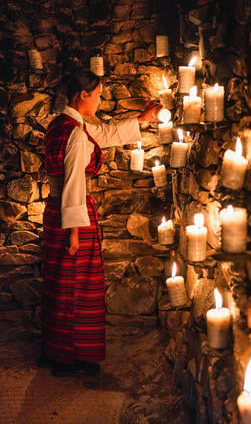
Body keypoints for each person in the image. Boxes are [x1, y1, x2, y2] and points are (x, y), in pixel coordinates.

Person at [41, 69, 161, 377]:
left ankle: (60, 351)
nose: (100, 100)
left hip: (57, 213)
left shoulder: (63, 124)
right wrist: (74, 235)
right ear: (83, 95)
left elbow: (105, 134)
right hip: (73, 217)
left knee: (61, 283)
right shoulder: (76, 133)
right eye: (97, 95)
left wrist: (142, 120)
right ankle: (69, 357)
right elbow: (73, 184)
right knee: (75, 285)